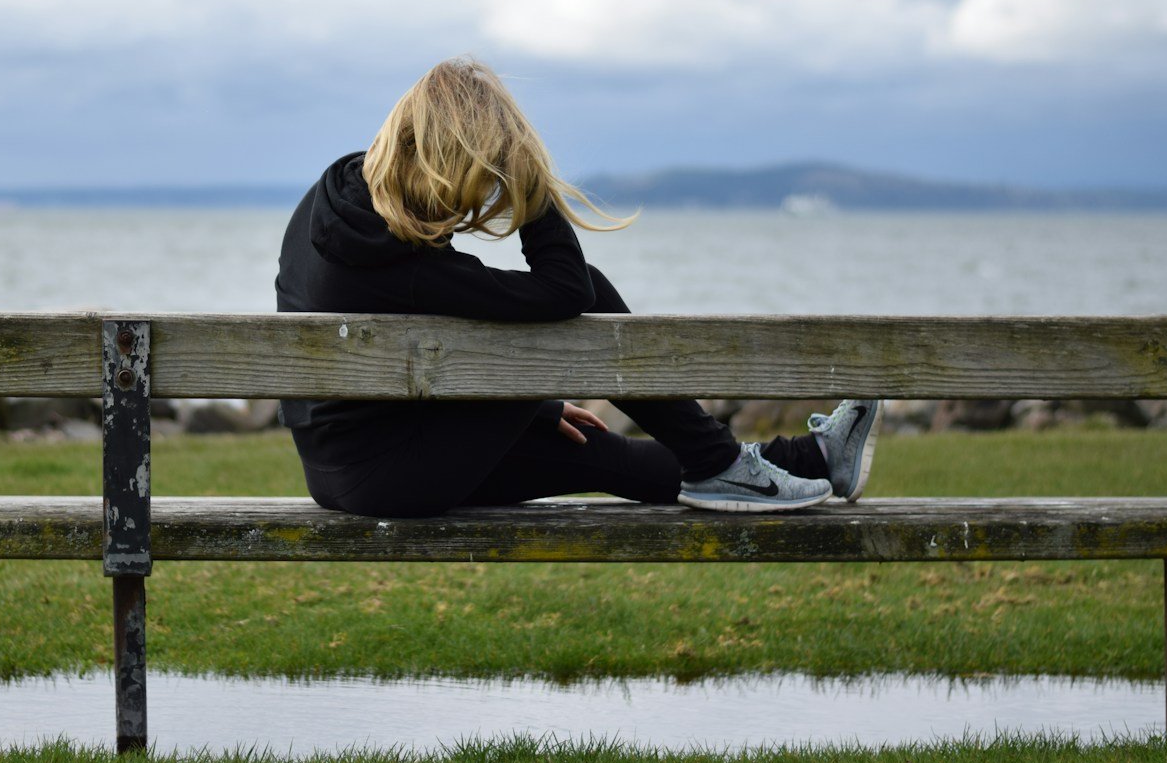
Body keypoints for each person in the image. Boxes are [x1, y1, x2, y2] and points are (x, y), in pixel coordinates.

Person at [275, 56, 880, 519]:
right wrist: (532, 181)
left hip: (349, 462)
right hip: (391, 477)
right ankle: (719, 462)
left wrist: (529, 407)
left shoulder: (340, 199)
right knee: (587, 288)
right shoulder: (397, 265)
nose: (476, 200)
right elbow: (568, 291)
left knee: (608, 456)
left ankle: (815, 460)